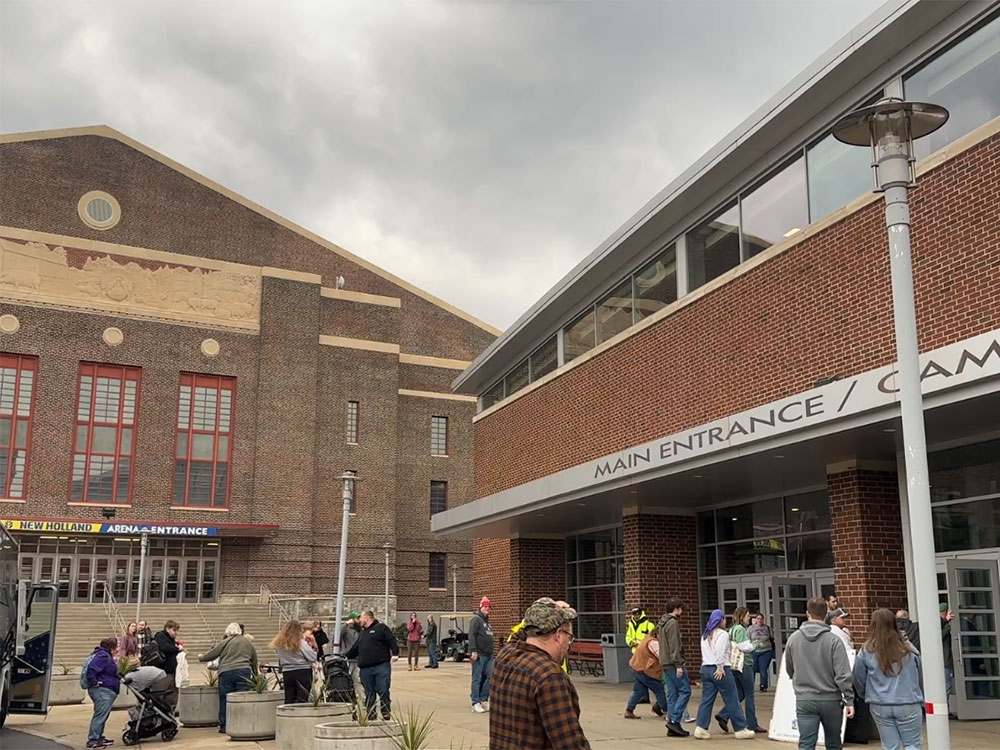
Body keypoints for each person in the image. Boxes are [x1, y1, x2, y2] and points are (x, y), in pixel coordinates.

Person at [489, 598, 591, 749]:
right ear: (558, 635)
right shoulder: (549, 676)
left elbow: (519, 634)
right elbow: (570, 743)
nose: (568, 646)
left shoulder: (505, 656)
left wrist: (543, 608)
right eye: (569, 638)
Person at [785, 597, 855, 750]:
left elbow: (790, 669)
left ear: (807, 613)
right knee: (834, 743)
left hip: (805, 699)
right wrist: (849, 699)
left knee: (806, 744)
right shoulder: (834, 641)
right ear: (825, 615)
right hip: (831, 699)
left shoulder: (793, 639)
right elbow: (843, 674)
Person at [853, 608, 924, 750]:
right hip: (908, 701)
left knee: (890, 746)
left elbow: (858, 678)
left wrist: (866, 694)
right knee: (912, 744)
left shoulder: (866, 650)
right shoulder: (908, 648)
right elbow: (920, 675)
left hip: (879, 703)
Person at [693, 609, 754, 740]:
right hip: (720, 669)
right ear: (720, 620)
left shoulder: (705, 634)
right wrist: (720, 667)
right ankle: (740, 728)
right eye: (724, 618)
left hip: (706, 668)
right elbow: (719, 651)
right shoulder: (722, 634)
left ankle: (701, 727)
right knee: (732, 698)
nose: (725, 621)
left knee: (706, 699)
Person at [199, 621, 259, 733]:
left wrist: (202, 658)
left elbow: (213, 653)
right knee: (241, 698)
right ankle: (242, 723)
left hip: (226, 672)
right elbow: (254, 659)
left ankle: (224, 725)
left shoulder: (225, 642)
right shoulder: (247, 642)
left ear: (228, 632)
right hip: (243, 671)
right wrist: (255, 675)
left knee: (224, 699)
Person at [717, 607, 765, 734]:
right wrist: (756, 645)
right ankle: (752, 724)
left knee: (739, 693)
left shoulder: (731, 629)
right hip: (744, 664)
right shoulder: (740, 629)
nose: (749, 618)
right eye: (748, 616)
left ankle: (724, 714)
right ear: (742, 616)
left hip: (734, 665)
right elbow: (745, 647)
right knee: (749, 694)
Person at [344, 610, 400, 720]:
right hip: (365, 669)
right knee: (369, 693)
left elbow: (392, 640)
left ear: (367, 618)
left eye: (361, 618)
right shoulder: (362, 634)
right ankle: (371, 714)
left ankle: (385, 711)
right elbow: (355, 649)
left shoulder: (381, 628)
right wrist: (343, 656)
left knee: (383, 689)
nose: (359, 620)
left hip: (381, 665)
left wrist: (395, 653)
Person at [657, 598, 692, 737]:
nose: (681, 611)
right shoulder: (672, 623)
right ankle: (674, 720)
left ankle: (672, 724)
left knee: (672, 695)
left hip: (665, 662)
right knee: (685, 691)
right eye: (680, 609)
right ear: (676, 609)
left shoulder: (662, 623)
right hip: (673, 663)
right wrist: (679, 664)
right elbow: (674, 645)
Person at [624, 626, 670, 721]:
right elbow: (661, 656)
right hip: (646, 671)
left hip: (636, 667)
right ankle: (666, 712)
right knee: (659, 690)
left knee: (638, 690)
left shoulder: (646, 640)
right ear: (657, 634)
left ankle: (629, 710)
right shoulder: (654, 643)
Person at [84, 636, 120, 750]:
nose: (118, 648)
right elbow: (91, 670)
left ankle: (98, 737)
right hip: (103, 690)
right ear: (112, 647)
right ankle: (93, 740)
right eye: (117, 646)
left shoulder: (105, 655)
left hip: (106, 689)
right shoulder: (103, 656)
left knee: (103, 714)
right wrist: (95, 682)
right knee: (100, 715)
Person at [270, 620, 317, 704]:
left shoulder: (280, 644)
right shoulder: (301, 643)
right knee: (302, 697)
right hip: (302, 671)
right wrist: (314, 645)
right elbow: (312, 657)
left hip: (287, 671)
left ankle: (288, 715)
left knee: (289, 697)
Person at [468, 596, 495, 713]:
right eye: (485, 606)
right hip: (479, 654)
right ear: (481, 607)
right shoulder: (476, 620)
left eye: (489, 607)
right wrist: (473, 650)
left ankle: (484, 698)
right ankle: (475, 702)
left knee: (490, 676)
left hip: (489, 655)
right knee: (477, 678)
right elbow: (472, 635)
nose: (487, 609)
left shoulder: (487, 622)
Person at [152, 620, 182, 710]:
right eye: (174, 630)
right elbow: (165, 647)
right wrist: (177, 649)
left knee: (172, 698)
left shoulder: (171, 640)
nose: (176, 633)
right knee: (160, 696)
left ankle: (170, 715)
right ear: (167, 629)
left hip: (172, 672)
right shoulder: (160, 636)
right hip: (163, 672)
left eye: (177, 630)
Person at [748, 613, 775, 692]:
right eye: (758, 618)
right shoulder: (751, 628)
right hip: (754, 651)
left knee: (763, 669)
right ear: (756, 620)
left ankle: (763, 686)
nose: (760, 620)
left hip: (766, 651)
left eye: (761, 619)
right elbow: (748, 638)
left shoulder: (767, 628)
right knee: (753, 669)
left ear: (763, 619)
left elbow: (772, 637)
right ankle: (750, 686)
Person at [939, 603, 955, 704]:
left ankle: (946, 708)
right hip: (943, 661)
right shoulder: (941, 624)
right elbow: (937, 638)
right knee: (946, 686)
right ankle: (943, 707)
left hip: (945, 660)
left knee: (946, 685)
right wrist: (946, 623)